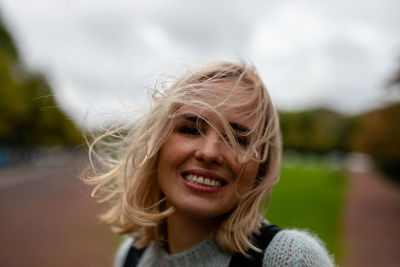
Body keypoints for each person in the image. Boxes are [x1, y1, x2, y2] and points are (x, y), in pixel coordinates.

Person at [83, 62, 334, 266]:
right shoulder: (131, 256)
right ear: (156, 144)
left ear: (262, 167)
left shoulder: (289, 259)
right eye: (191, 129)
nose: (209, 152)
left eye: (238, 139)